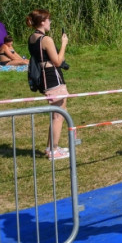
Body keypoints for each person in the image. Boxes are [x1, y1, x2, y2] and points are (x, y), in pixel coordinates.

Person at [26, 9, 71, 158]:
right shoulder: (46, 40)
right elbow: (57, 61)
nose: (50, 23)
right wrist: (64, 44)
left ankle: (50, 147)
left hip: (44, 77)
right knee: (59, 115)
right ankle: (53, 151)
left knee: (56, 114)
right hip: (52, 77)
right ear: (42, 22)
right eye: (49, 20)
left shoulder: (32, 38)